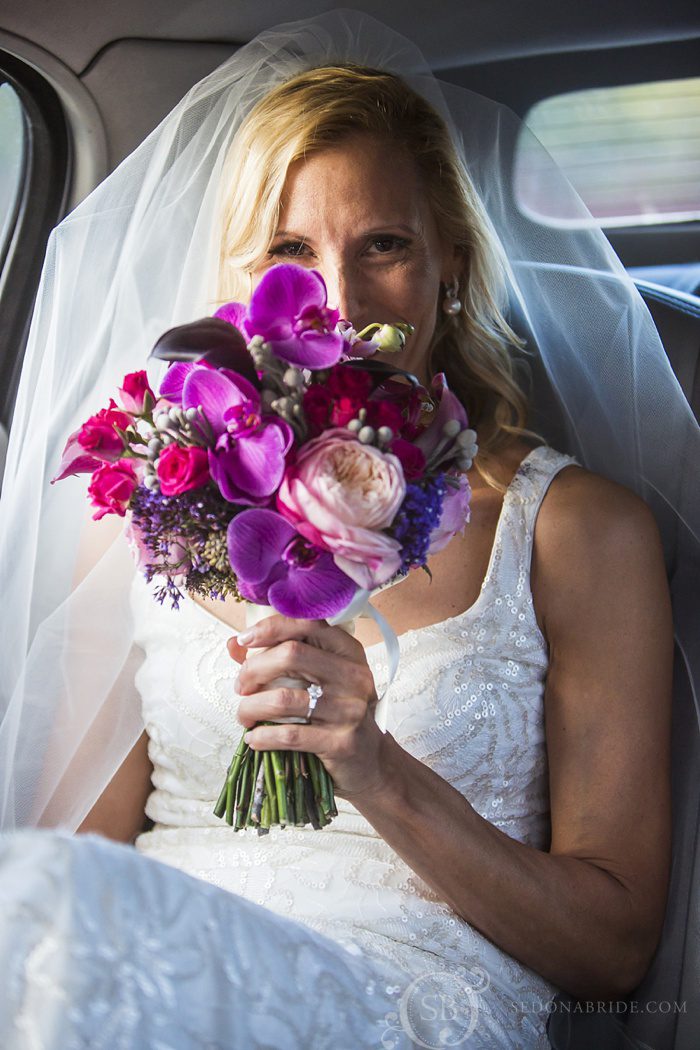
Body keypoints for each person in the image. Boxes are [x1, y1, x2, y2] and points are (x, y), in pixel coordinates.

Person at [0, 12, 696, 1050]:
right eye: (291, 249)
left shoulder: (576, 531)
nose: (336, 299)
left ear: (447, 264)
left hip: (408, 1002)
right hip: (160, 967)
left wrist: (375, 767)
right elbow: (71, 854)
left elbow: (611, 952)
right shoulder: (152, 510)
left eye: (385, 246)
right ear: (241, 277)